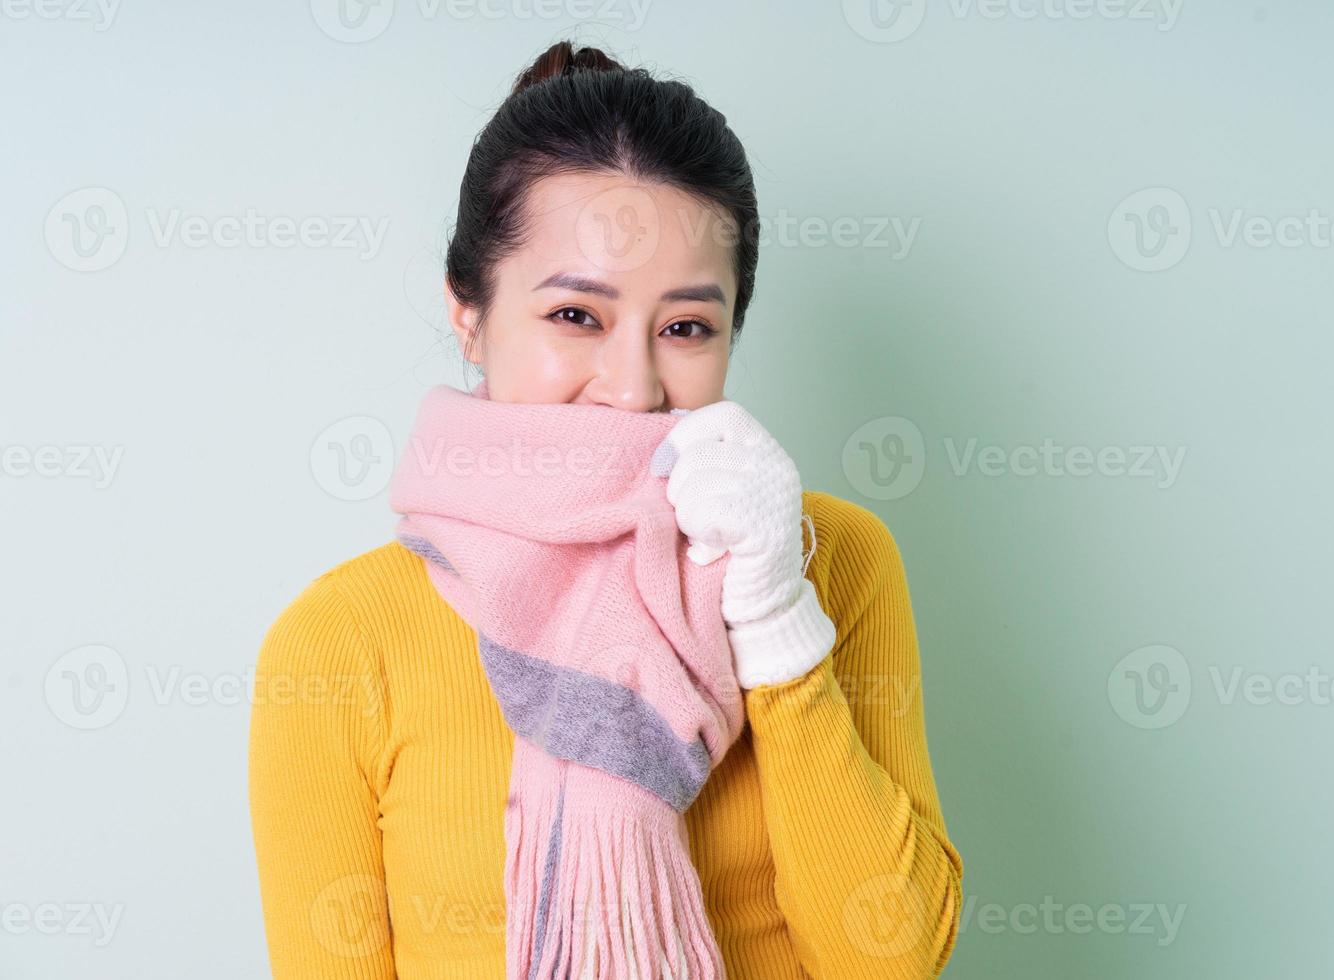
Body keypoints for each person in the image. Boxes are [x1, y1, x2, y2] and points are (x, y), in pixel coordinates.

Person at [248, 39, 962, 979]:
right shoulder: (339, 642)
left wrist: (777, 617)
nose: (633, 389)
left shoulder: (834, 561)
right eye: (576, 316)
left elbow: (891, 960)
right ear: (469, 315)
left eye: (684, 328)